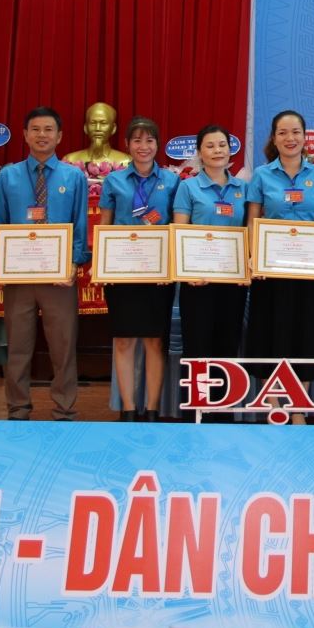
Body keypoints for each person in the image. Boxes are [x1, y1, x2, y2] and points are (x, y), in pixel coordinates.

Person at [0, 106, 90, 421]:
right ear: (25, 135)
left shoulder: (74, 177)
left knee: (63, 346)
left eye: (48, 129)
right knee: (17, 346)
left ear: (59, 136)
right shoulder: (8, 176)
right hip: (19, 275)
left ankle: (65, 409)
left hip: (59, 276)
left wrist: (74, 263)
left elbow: (80, 225)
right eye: (35, 129)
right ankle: (17, 408)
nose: (42, 135)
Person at [243, 109, 314, 422]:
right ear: (274, 138)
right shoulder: (261, 175)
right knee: (272, 334)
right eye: (283, 133)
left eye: (296, 132)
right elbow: (253, 220)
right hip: (271, 272)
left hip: (308, 272)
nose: (290, 138)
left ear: (305, 137)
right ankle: (274, 404)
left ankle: (297, 406)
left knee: (306, 336)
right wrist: (254, 255)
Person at [99, 117, 178, 422]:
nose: (143, 146)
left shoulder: (171, 181)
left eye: (149, 140)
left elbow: (176, 227)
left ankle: (153, 407)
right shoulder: (114, 181)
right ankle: (129, 408)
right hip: (122, 271)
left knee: (154, 340)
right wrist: (103, 266)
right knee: (123, 339)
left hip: (158, 274)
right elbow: (105, 226)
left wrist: (170, 267)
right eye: (137, 140)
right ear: (127, 145)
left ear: (158, 145)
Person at [171, 124, 248, 422]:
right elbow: (180, 232)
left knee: (226, 346)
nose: (217, 151)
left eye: (222, 145)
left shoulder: (243, 188)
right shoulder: (188, 188)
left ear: (230, 149)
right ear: (200, 153)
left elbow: (249, 232)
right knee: (197, 347)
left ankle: (223, 415)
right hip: (198, 283)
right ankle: (196, 414)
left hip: (233, 283)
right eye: (210, 146)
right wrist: (186, 270)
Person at [64, 101, 131, 166]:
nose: (97, 128)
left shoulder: (127, 161)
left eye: (103, 123)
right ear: (86, 128)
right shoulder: (70, 160)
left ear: (113, 128)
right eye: (93, 123)